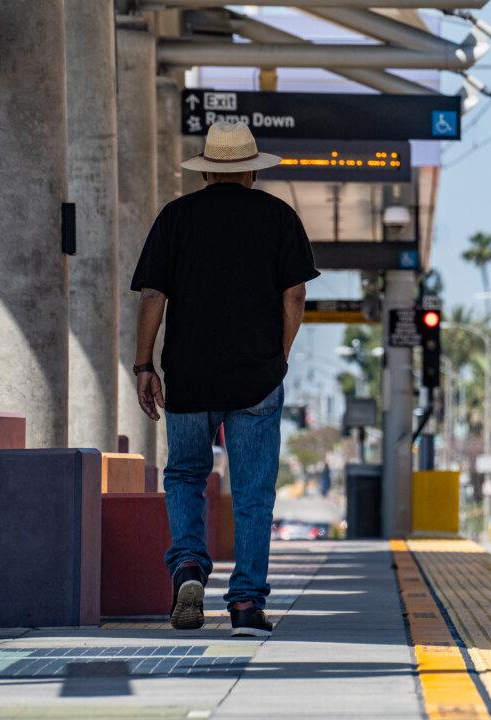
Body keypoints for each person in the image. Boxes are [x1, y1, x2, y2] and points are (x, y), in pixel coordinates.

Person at [130, 121, 319, 636]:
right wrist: (277, 356)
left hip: (188, 376)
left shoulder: (176, 217)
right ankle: (245, 606)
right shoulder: (279, 217)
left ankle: (188, 567)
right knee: (255, 492)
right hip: (256, 378)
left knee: (187, 475)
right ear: (252, 173)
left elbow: (152, 296)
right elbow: (295, 296)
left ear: (208, 169)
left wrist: (144, 364)